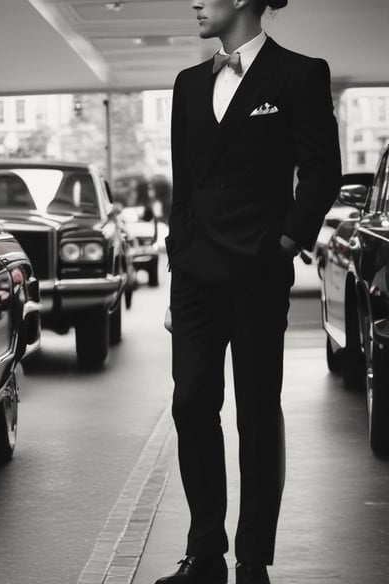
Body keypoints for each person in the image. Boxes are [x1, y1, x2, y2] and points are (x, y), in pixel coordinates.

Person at [159, 1, 341, 583]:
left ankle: (253, 560)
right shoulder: (189, 84)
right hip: (195, 275)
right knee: (190, 404)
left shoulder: (299, 73)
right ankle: (205, 554)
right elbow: (182, 184)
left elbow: (321, 171)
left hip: (257, 271)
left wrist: (287, 241)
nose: (193, 1)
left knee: (256, 413)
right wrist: (177, 264)